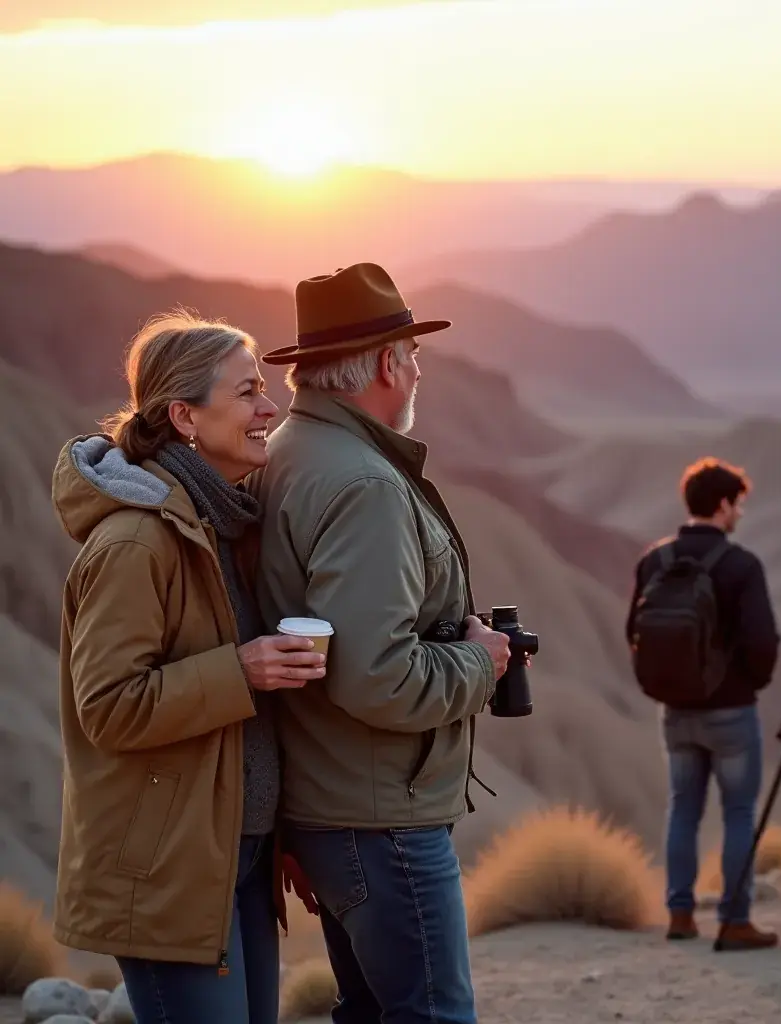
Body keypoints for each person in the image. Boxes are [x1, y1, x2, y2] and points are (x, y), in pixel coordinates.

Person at [51, 312, 328, 1024]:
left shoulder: (223, 525)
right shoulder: (136, 544)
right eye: (246, 393)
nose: (270, 407)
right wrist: (242, 671)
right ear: (185, 417)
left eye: (264, 388)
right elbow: (108, 705)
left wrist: (279, 837)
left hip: (234, 857)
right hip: (168, 871)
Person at [251, 262, 511, 1024]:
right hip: (381, 819)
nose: (419, 370)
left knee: (369, 1012)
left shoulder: (288, 451)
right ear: (390, 364)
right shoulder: (363, 485)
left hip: (329, 804)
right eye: (415, 355)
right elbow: (377, 676)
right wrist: (481, 661)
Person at [625, 457, 780, 951]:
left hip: (675, 710)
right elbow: (762, 643)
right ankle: (735, 921)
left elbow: (634, 631)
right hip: (732, 711)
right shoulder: (742, 565)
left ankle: (681, 915)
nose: (740, 514)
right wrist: (747, 683)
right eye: (739, 505)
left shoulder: (655, 560)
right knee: (737, 812)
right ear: (722, 504)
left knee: (683, 811)